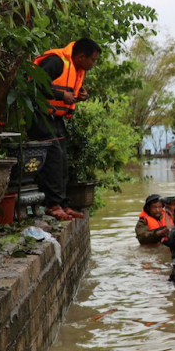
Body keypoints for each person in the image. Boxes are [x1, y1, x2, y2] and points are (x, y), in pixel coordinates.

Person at [28, 38, 101, 221]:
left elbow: (69, 91)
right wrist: (62, 95)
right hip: (40, 116)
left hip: (56, 118)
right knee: (52, 160)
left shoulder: (76, 68)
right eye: (93, 60)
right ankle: (52, 206)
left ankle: (62, 204)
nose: (93, 64)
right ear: (81, 56)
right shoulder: (56, 61)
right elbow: (34, 86)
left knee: (61, 161)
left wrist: (80, 95)